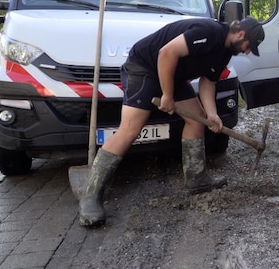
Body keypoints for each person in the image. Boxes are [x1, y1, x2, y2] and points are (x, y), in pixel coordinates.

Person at [78, 16, 265, 227]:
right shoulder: (209, 31)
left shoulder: (224, 52)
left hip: (172, 73)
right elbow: (166, 52)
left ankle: (196, 178)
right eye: (250, 46)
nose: (247, 51)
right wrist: (167, 94)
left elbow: (208, 82)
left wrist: (211, 114)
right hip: (144, 68)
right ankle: (90, 196)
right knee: (130, 130)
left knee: (198, 120)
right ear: (241, 35)